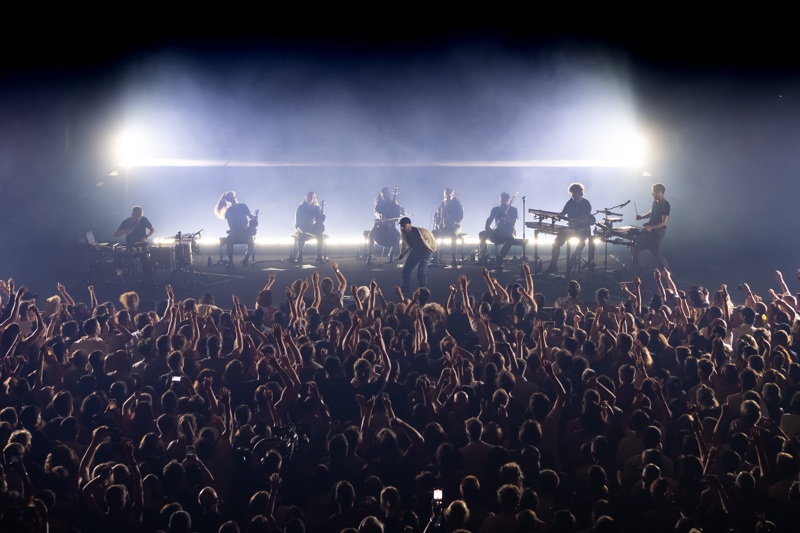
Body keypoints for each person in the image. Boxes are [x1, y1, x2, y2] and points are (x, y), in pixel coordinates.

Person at [545, 182, 594, 275]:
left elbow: (584, 219)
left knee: (577, 250)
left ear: (580, 192)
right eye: (572, 194)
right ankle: (553, 266)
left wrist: (575, 221)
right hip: (571, 229)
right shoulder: (570, 202)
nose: (573, 196)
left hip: (583, 231)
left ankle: (569, 272)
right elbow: (563, 213)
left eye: (575, 193)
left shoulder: (586, 204)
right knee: (555, 244)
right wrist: (557, 215)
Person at [214, 191, 257, 267]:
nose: (233, 199)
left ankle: (245, 260)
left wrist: (255, 217)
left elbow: (250, 216)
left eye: (233, 197)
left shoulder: (243, 206)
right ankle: (231, 262)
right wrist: (235, 232)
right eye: (231, 198)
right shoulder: (229, 211)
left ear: (235, 197)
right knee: (229, 242)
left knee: (252, 244)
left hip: (245, 231)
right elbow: (230, 225)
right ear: (229, 200)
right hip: (235, 232)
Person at [478, 192, 518, 271]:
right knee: (482, 234)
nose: (503, 201)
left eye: (504, 199)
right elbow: (490, 218)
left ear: (508, 200)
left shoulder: (513, 210)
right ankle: (484, 255)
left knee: (511, 239)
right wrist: (487, 226)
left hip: (509, 231)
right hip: (498, 230)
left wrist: (507, 216)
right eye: (501, 199)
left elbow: (513, 224)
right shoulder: (496, 209)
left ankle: (500, 257)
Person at [635, 182, 670, 271]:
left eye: (653, 191)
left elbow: (664, 222)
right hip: (649, 232)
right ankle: (642, 268)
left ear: (659, 192)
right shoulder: (655, 202)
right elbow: (652, 213)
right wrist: (641, 217)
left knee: (657, 254)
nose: (652, 193)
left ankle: (669, 274)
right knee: (636, 248)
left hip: (658, 233)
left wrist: (651, 227)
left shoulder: (665, 205)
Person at [398, 217, 437, 294]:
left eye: (404, 226)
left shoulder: (422, 231)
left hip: (425, 251)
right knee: (406, 270)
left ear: (410, 225)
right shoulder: (403, 234)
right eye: (401, 226)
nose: (402, 228)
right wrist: (402, 254)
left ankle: (423, 290)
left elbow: (432, 238)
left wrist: (432, 249)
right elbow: (403, 244)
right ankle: (405, 288)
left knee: (421, 270)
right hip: (415, 251)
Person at [115, 206, 156, 278]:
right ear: (133, 214)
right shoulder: (126, 222)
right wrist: (125, 231)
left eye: (140, 216)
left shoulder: (144, 220)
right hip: (130, 246)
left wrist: (146, 237)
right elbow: (115, 234)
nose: (139, 218)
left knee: (146, 262)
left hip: (142, 246)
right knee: (128, 263)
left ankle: (147, 279)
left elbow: (153, 229)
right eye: (137, 216)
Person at [367, 187, 403, 264]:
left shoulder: (393, 203)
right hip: (381, 224)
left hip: (390, 226)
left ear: (388, 194)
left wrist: (401, 210)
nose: (384, 197)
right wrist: (380, 215)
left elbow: (397, 214)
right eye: (383, 196)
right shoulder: (379, 202)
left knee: (398, 236)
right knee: (371, 233)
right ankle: (369, 256)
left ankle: (390, 255)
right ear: (381, 194)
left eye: (385, 195)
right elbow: (375, 211)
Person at [432, 186, 464, 266]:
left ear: (453, 195)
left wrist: (450, 217)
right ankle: (436, 256)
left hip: (455, 226)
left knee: (452, 235)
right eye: (445, 195)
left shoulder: (458, 204)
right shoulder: (443, 204)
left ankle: (454, 258)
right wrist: (437, 223)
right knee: (433, 234)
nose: (447, 197)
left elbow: (460, 218)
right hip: (444, 227)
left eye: (449, 196)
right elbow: (438, 217)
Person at [294, 191, 326, 264]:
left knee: (320, 236)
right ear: (306, 197)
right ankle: (300, 255)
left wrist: (321, 214)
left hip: (312, 228)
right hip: (303, 227)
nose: (310, 199)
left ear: (314, 198)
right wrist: (299, 228)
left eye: (311, 198)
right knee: (301, 236)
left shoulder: (316, 207)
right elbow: (297, 221)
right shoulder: (301, 207)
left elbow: (320, 219)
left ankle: (319, 256)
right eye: (308, 197)